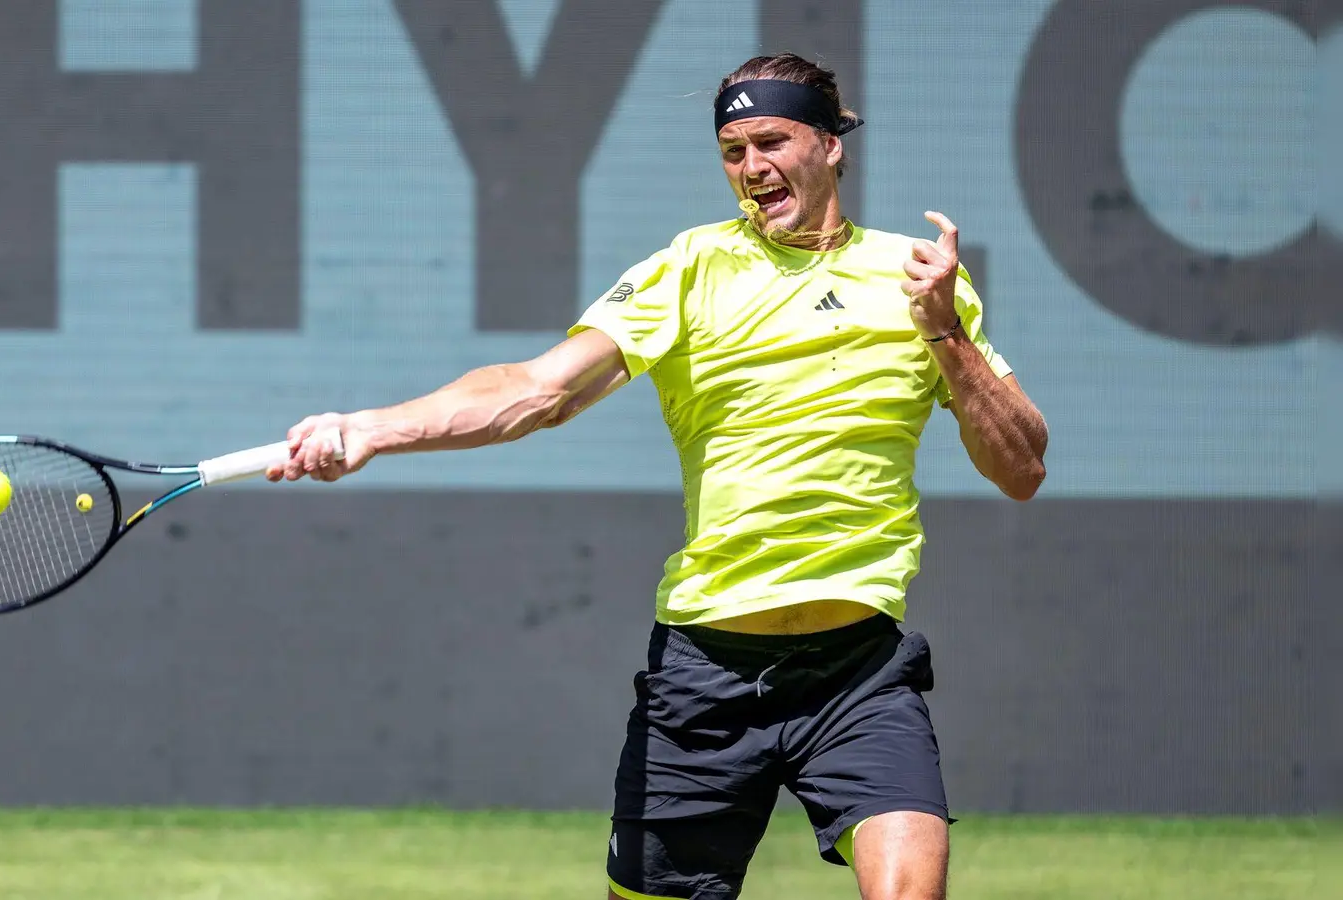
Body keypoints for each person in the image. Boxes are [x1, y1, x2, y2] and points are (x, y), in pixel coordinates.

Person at [271, 53, 1048, 900]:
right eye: (731, 150)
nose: (751, 168)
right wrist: (373, 429)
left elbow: (1021, 467)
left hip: (859, 676)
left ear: (830, 146)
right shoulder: (689, 270)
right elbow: (538, 392)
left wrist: (947, 335)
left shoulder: (921, 281)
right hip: (705, 678)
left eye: (771, 141)